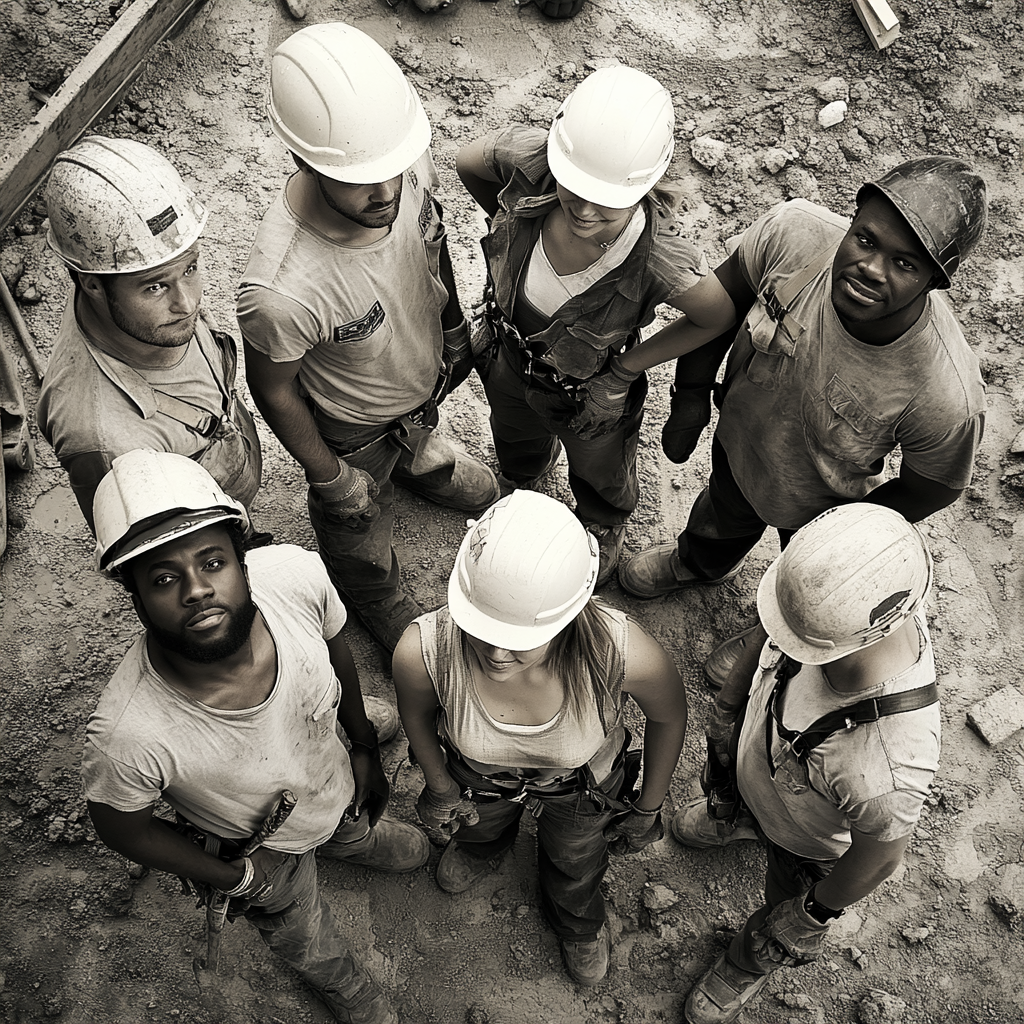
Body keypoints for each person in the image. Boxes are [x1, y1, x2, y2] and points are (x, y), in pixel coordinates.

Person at [82, 449, 429, 1024]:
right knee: (301, 934)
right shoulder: (130, 736)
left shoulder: (293, 576)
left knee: (346, 806)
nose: (195, 589)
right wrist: (234, 876)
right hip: (265, 847)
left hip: (328, 770)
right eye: (164, 578)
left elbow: (334, 643)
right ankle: (347, 989)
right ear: (134, 596)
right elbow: (121, 827)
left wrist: (363, 742)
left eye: (211, 561)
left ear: (244, 562)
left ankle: (351, 839)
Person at [615, 156, 987, 680]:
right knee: (721, 515)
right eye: (866, 240)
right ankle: (697, 563)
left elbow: (932, 488)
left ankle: (772, 635)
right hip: (740, 446)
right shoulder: (792, 235)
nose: (872, 269)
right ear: (852, 219)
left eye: (905, 265)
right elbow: (718, 310)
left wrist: (840, 538)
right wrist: (691, 396)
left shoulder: (945, 391)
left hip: (823, 505)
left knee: (808, 584)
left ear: (934, 280)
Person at [238, 22, 499, 652]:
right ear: (304, 158)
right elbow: (272, 391)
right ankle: (373, 588)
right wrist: (329, 475)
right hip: (352, 429)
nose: (387, 192)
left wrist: (452, 324)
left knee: (419, 437)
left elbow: (431, 243)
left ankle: (418, 459)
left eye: (393, 169)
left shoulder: (398, 160)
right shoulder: (283, 290)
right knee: (355, 519)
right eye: (359, 179)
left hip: (417, 387)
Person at [392, 490, 688, 986]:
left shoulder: (620, 652)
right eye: (478, 627)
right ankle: (483, 846)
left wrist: (646, 807)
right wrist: (442, 785)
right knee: (480, 825)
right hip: (477, 783)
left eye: (520, 639)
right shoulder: (424, 652)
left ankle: (577, 919)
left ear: (568, 616)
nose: (495, 653)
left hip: (581, 788)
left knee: (576, 859)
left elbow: (669, 717)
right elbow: (417, 717)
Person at [673, 504, 940, 1024]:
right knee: (738, 794)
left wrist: (813, 911)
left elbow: (880, 858)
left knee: (781, 907)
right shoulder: (845, 602)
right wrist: (728, 710)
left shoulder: (883, 770)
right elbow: (769, 635)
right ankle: (742, 819)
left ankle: (748, 960)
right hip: (764, 763)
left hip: (805, 842)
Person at [455, 66, 706, 585]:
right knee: (514, 437)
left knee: (601, 469)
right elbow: (468, 163)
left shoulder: (656, 258)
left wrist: (622, 375)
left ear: (647, 186)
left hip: (586, 394)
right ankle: (525, 478)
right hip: (506, 355)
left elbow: (712, 315)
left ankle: (602, 521)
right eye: (575, 187)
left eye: (608, 201)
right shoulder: (532, 165)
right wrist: (509, 231)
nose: (585, 210)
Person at [37, 137, 262, 533]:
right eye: (155, 286)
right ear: (92, 285)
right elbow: (147, 551)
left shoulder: (147, 311)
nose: (187, 304)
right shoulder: (105, 439)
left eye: (190, 268)